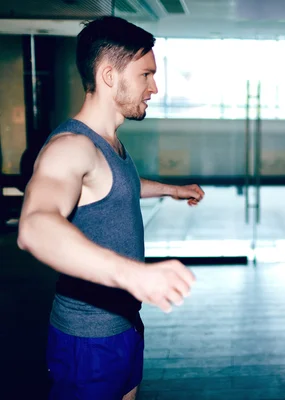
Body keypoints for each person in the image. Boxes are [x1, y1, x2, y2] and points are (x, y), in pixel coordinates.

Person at [17, 16, 203, 400]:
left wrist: (171, 189)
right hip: (88, 339)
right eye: (146, 75)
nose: (154, 87)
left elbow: (120, 187)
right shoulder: (71, 147)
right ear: (108, 75)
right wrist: (133, 275)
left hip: (125, 326)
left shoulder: (110, 144)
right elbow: (34, 226)